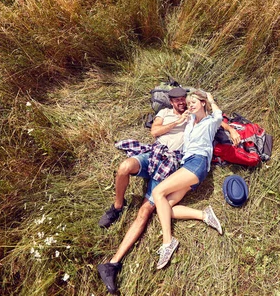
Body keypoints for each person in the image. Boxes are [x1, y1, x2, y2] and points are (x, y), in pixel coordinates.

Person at [98, 88, 239, 293]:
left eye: (187, 100)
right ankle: (117, 207)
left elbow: (216, 119)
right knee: (125, 168)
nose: (184, 103)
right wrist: (177, 122)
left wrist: (231, 129)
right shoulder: (166, 114)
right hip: (154, 154)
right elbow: (154, 132)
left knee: (147, 209)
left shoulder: (197, 117)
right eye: (179, 100)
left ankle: (113, 263)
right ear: (171, 102)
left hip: (174, 165)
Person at [151, 90, 225, 270]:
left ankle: (168, 242)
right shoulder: (191, 120)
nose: (189, 105)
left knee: (157, 192)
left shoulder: (210, 122)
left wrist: (210, 98)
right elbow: (183, 115)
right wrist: (184, 115)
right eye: (188, 102)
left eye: (193, 102)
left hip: (198, 163)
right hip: (188, 164)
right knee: (166, 207)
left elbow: (218, 115)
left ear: (202, 103)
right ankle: (204, 215)